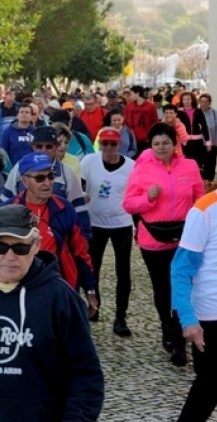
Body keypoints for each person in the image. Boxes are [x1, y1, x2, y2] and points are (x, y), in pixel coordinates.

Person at [0, 205, 105, 422]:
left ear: (36, 245)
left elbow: (85, 374)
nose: (9, 257)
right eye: (0, 247)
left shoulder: (61, 298)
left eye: (20, 248)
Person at [123, 122, 205, 367]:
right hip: (154, 239)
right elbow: (129, 204)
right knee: (162, 289)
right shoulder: (142, 169)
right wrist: (148, 198)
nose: (161, 147)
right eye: (156, 143)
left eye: (166, 143)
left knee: (182, 286)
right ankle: (166, 326)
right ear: (151, 145)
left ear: (174, 144)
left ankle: (180, 341)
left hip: (184, 238)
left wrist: (198, 219)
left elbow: (200, 197)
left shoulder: (189, 166)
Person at [172, 147, 217, 422]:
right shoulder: (205, 209)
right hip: (214, 317)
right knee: (209, 389)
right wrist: (188, 319)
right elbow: (180, 270)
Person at [4, 152, 98, 309]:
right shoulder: (8, 209)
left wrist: (90, 289)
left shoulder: (64, 208)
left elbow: (81, 252)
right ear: (25, 181)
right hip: (18, 287)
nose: (47, 183)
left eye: (50, 176)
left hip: (59, 286)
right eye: (40, 178)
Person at [80, 127, 135, 336]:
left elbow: (136, 193)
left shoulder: (131, 166)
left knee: (123, 271)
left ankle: (121, 317)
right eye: (105, 144)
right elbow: (79, 187)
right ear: (99, 144)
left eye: (113, 144)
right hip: (95, 223)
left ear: (119, 145)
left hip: (121, 223)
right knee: (93, 267)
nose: (109, 148)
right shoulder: (89, 162)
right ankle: (94, 305)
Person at [177, 91, 210, 178]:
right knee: (185, 164)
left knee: (198, 164)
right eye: (184, 99)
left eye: (188, 99)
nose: (186, 101)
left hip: (197, 142)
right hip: (184, 143)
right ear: (182, 101)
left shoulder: (198, 111)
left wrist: (208, 142)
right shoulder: (178, 112)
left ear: (192, 100)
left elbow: (205, 127)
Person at [123, 85, 159, 153]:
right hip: (132, 141)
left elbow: (155, 123)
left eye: (131, 94)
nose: (130, 96)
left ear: (137, 93)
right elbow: (125, 122)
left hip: (146, 141)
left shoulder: (150, 107)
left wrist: (150, 136)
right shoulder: (128, 106)